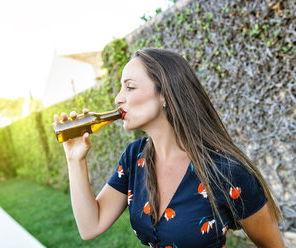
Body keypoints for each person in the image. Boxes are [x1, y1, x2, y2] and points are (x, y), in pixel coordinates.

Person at [53, 48, 284, 247]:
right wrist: (75, 159)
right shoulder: (134, 158)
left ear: (165, 94)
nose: (117, 98)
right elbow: (90, 226)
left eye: (130, 87)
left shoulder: (225, 169)